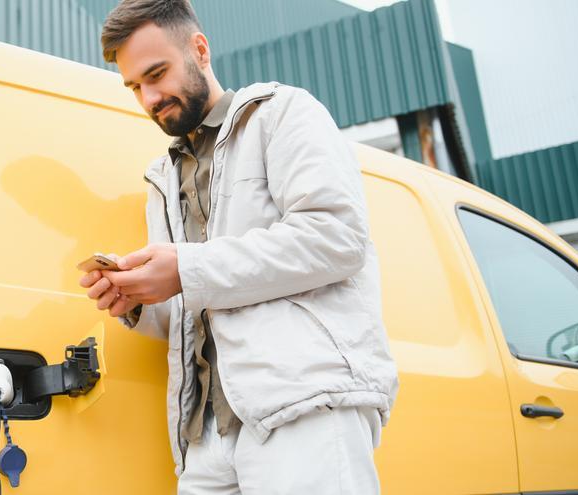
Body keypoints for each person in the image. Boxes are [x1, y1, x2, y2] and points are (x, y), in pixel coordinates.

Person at [79, 1, 399, 493]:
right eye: (134, 87)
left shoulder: (284, 112)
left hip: (304, 408)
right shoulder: (163, 178)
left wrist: (185, 269)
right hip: (204, 438)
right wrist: (138, 302)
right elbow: (195, 302)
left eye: (156, 74)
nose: (148, 98)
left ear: (199, 50)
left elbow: (338, 238)